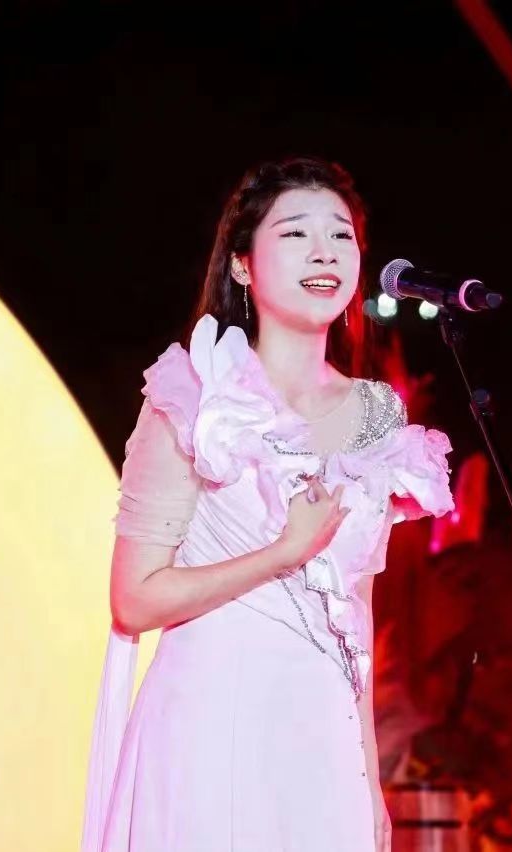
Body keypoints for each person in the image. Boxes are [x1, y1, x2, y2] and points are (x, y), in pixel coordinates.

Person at [82, 155, 455, 852]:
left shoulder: (375, 415)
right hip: (212, 722)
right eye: (295, 233)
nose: (324, 251)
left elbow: (356, 609)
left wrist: (368, 772)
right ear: (243, 265)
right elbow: (133, 600)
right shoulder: (196, 394)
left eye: (340, 235)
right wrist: (282, 554)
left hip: (320, 738)